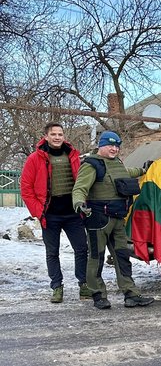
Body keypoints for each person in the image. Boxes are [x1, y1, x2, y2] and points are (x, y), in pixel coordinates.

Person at [72, 131, 153, 310]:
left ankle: (131, 294)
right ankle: (98, 295)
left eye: (117, 145)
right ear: (101, 145)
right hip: (98, 220)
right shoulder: (92, 165)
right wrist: (79, 203)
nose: (114, 148)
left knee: (122, 257)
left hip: (117, 219)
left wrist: (144, 169)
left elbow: (126, 172)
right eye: (110, 145)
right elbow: (80, 188)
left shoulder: (117, 162)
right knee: (96, 257)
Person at [20, 122, 90, 303]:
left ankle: (84, 284)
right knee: (53, 252)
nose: (57, 137)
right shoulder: (35, 158)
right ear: (46, 136)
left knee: (82, 249)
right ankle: (57, 287)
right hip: (49, 215)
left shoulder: (73, 156)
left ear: (64, 136)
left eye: (60, 134)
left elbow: (82, 182)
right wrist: (39, 212)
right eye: (54, 134)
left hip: (73, 213)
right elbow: (26, 189)